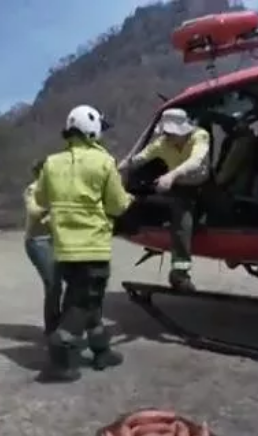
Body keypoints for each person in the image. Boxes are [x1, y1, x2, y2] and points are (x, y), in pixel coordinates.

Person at [34, 104, 133, 382]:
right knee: (82, 303)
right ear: (93, 130)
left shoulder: (51, 163)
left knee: (88, 300)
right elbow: (116, 205)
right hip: (93, 247)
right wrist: (130, 201)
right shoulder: (104, 162)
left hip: (64, 249)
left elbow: (41, 200)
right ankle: (60, 353)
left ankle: (101, 350)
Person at [118, 108, 210, 292]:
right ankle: (180, 274)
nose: (167, 137)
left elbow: (196, 160)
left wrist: (172, 175)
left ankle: (182, 270)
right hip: (180, 188)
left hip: (203, 186)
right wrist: (119, 168)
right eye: (165, 133)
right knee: (180, 215)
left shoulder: (200, 136)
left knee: (199, 214)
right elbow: (139, 159)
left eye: (171, 133)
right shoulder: (161, 144)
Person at [23, 159, 63, 335]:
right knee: (53, 283)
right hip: (38, 242)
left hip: (58, 241)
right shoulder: (33, 189)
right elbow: (34, 211)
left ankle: (63, 324)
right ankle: (53, 329)